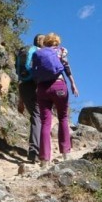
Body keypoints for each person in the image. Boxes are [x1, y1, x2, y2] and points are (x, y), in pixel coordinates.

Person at [36, 32, 79, 167]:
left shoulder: (38, 53)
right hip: (59, 85)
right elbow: (66, 67)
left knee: (45, 122)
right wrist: (73, 83)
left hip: (42, 88)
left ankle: (44, 160)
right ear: (57, 42)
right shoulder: (61, 51)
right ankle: (66, 153)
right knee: (63, 118)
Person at [16, 34, 45, 163]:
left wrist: (21, 101)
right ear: (41, 42)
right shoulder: (40, 53)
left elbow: (19, 79)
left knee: (35, 116)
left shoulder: (26, 52)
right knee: (37, 116)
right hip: (35, 85)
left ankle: (36, 149)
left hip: (24, 87)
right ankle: (35, 151)